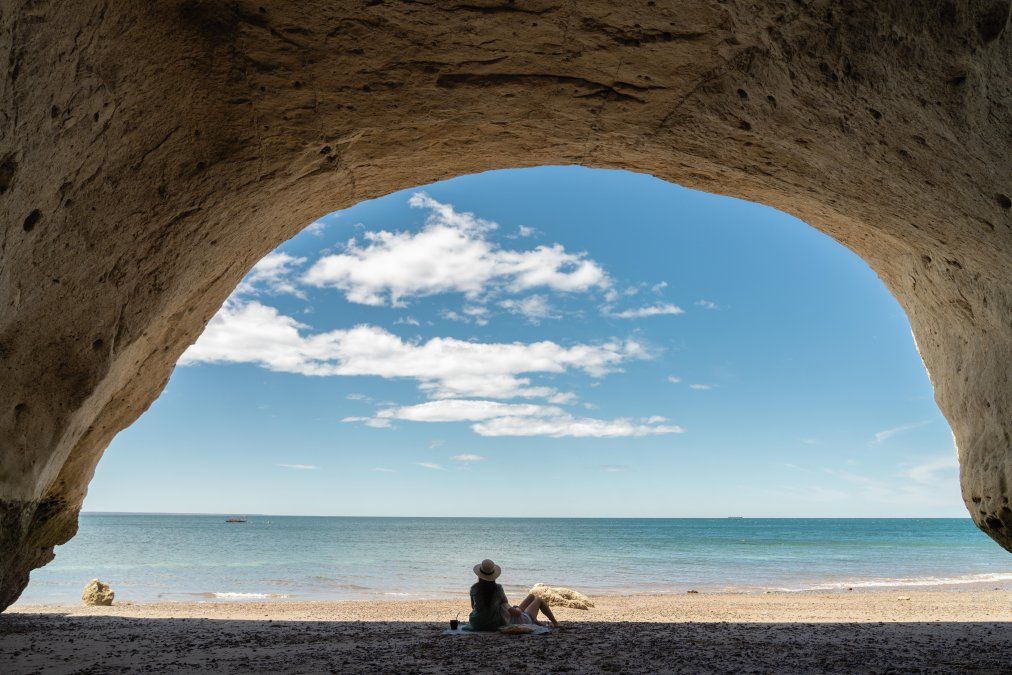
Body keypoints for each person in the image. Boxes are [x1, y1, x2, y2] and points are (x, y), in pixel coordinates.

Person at [467, 558, 559, 631]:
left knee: (531, 596)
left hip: (476, 623)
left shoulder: (474, 588)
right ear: (493, 576)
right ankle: (555, 623)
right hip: (496, 623)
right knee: (538, 599)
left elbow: (473, 607)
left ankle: (535, 620)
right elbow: (509, 606)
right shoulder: (498, 589)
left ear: (479, 575)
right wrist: (517, 609)